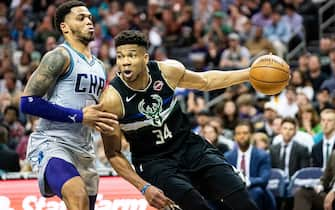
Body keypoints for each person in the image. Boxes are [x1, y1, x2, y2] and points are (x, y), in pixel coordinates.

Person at [99, 30, 260, 210]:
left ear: (145, 58)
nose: (125, 61)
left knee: (241, 199)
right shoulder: (112, 100)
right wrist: (143, 187)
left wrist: (249, 73)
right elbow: (113, 153)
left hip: (189, 146)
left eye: (131, 55)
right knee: (196, 204)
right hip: (154, 162)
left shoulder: (167, 71)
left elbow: (206, 81)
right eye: (120, 57)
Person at [19, 1, 117, 210]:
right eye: (81, 18)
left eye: (90, 18)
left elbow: (101, 109)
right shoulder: (59, 56)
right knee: (77, 195)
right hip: (52, 142)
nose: (89, 22)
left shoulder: (100, 66)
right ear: (64, 27)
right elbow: (27, 103)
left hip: (84, 147)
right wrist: (80, 116)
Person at [225, 121, 275, 210]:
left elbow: (264, 179)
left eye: (245, 133)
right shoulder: (228, 156)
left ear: (251, 135)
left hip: (253, 188)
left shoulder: (262, 155)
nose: (242, 136)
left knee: (256, 192)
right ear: (235, 137)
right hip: (234, 190)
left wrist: (246, 181)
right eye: (238, 134)